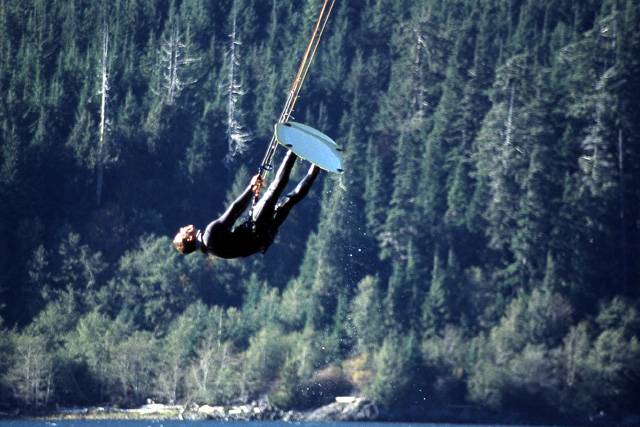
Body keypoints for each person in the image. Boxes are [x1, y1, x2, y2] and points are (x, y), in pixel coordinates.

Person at [173, 151, 320, 258]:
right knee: (276, 187)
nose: (181, 228)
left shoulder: (211, 249)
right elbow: (235, 210)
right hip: (257, 225)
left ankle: (316, 167)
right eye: (181, 233)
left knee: (289, 200)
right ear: (190, 238)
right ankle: (293, 150)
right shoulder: (210, 235)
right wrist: (251, 188)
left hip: (264, 237)